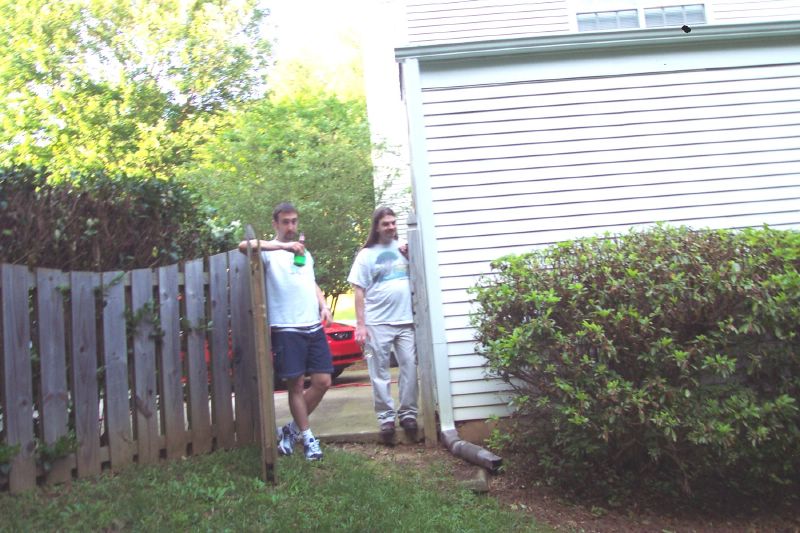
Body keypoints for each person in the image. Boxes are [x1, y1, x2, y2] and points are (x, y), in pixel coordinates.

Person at [239, 202, 333, 461]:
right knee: (295, 384)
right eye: (285, 222)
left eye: (294, 221)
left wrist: (324, 306)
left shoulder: (305, 253)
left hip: (312, 326)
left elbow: (310, 281)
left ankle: (290, 431)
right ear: (276, 224)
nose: (291, 226)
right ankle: (308, 438)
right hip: (286, 328)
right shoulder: (269, 252)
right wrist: (283, 246)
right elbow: (243, 246)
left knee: (323, 381)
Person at [347, 206, 418, 438]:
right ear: (377, 227)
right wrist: (361, 324)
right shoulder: (366, 255)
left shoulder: (405, 249)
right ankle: (386, 418)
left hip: (406, 320)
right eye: (386, 223)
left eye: (393, 223)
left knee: (409, 366)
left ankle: (408, 413)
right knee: (379, 372)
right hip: (378, 322)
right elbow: (359, 291)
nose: (391, 227)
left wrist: (411, 257)